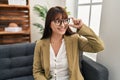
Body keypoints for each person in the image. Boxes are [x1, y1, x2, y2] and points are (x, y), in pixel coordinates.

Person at [33, 6, 104, 80]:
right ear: (49, 23)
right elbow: (37, 71)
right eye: (58, 21)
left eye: (65, 20)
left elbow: (99, 46)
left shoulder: (74, 40)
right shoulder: (40, 44)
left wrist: (81, 27)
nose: (63, 25)